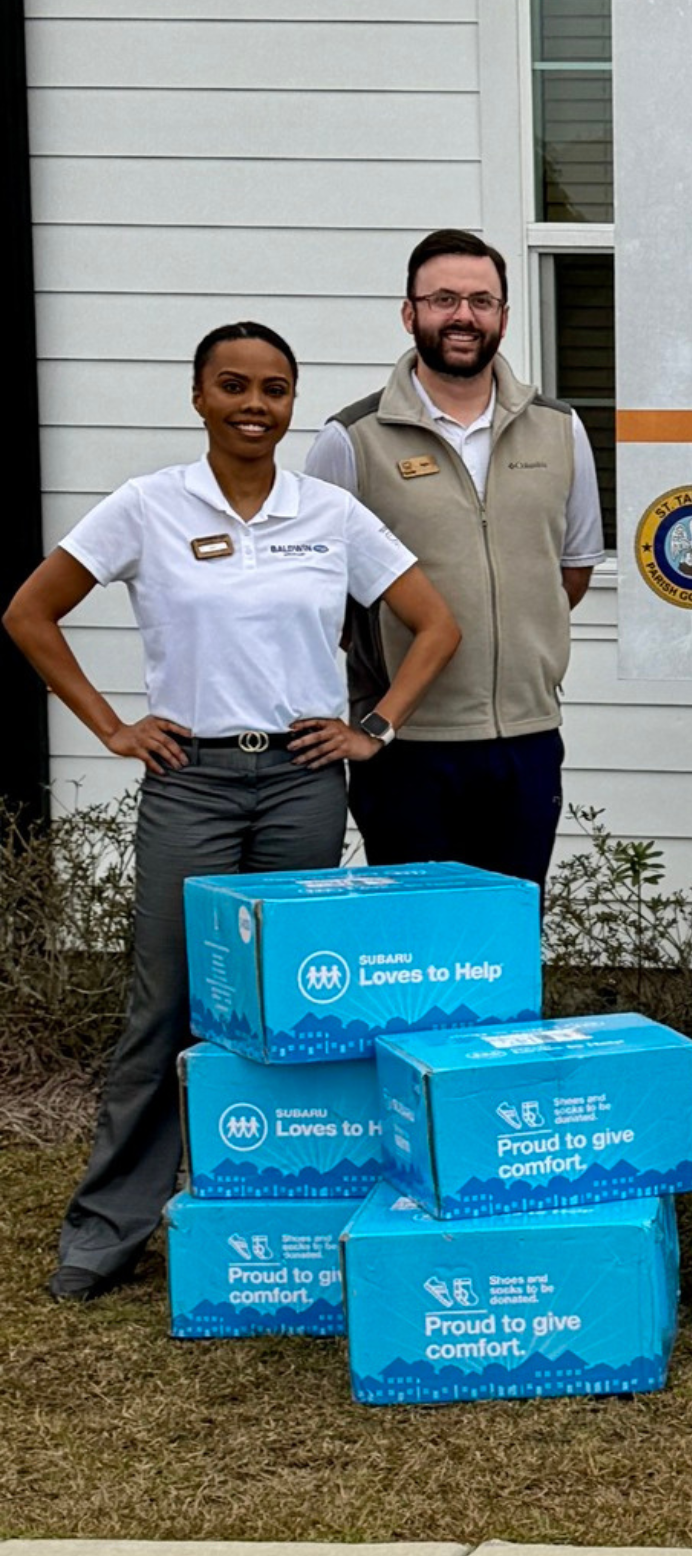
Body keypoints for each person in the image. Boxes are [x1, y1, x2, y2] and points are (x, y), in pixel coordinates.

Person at [5, 322, 459, 1303]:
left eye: (275, 389)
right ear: (199, 396)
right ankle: (106, 1232)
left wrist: (374, 726)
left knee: (291, 1006)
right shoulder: (149, 505)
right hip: (192, 783)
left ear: (292, 403)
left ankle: (286, 1210)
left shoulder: (328, 512)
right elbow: (29, 613)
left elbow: (437, 623)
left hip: (300, 782)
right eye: (234, 385)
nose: (255, 404)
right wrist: (112, 726)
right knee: (164, 1005)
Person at [305, 228, 605, 885]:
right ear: (409, 313)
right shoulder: (351, 439)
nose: (463, 316)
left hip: (526, 739)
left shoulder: (560, 429)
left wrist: (518, 636)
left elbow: (573, 570)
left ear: (503, 316)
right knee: (415, 933)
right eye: (443, 299)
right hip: (405, 745)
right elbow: (319, 592)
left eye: (480, 301)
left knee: (509, 929)